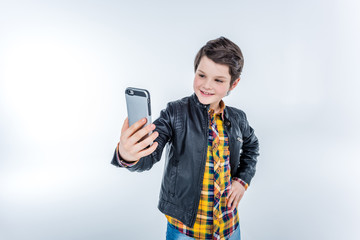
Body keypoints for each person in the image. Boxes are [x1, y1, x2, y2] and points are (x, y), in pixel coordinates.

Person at [111, 36, 260, 240]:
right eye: (201, 75)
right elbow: (149, 155)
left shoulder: (238, 118)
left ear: (233, 84)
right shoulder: (175, 113)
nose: (206, 85)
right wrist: (127, 155)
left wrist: (242, 180)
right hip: (186, 231)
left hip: (229, 226)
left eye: (218, 80)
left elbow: (252, 146)